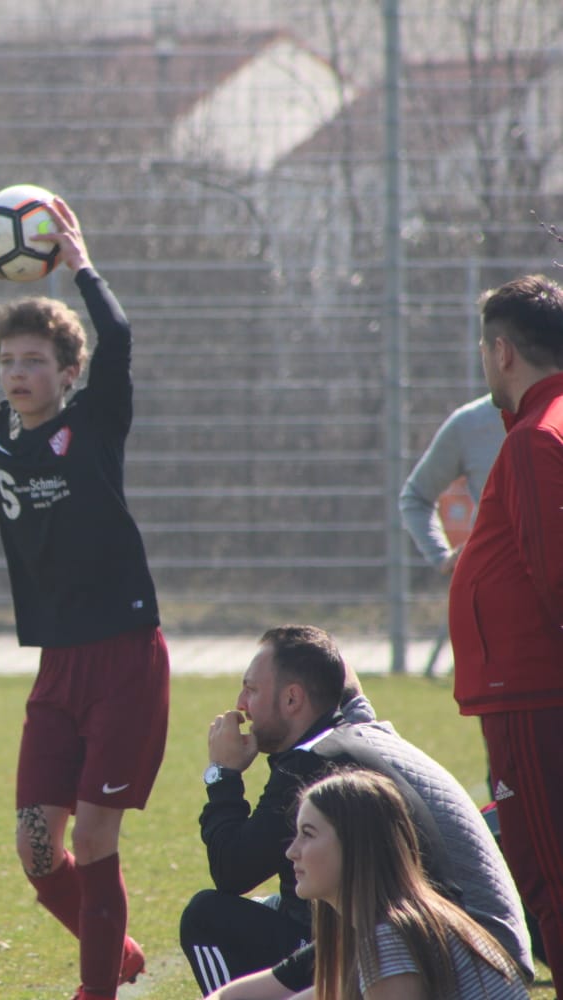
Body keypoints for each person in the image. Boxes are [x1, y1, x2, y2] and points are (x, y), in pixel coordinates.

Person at [0, 195, 169, 1000]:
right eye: (9, 361)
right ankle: (116, 954)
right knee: (36, 848)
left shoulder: (96, 422)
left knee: (97, 834)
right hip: (58, 665)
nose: (19, 373)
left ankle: (97, 990)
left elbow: (118, 336)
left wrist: (81, 266)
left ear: (68, 373)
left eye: (36, 361)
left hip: (124, 658)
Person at [181, 624, 532, 996]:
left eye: (251, 689)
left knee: (209, 918)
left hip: (450, 948)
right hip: (466, 938)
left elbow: (233, 869)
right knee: (282, 909)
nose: (240, 704)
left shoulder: (320, 765)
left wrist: (222, 774)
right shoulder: (345, 741)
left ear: (292, 698)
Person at [449, 272, 563, 982]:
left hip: (534, 696)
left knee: (549, 880)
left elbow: (555, 576)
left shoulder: (533, 439)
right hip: (534, 693)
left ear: (502, 352)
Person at [282, 769, 529, 1000]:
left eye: (308, 834)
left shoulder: (388, 937)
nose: (292, 851)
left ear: (356, 846)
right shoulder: (393, 924)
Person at [398, 393, 502, 575]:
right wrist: (441, 557)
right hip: (497, 579)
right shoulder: (470, 424)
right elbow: (417, 496)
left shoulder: (553, 413)